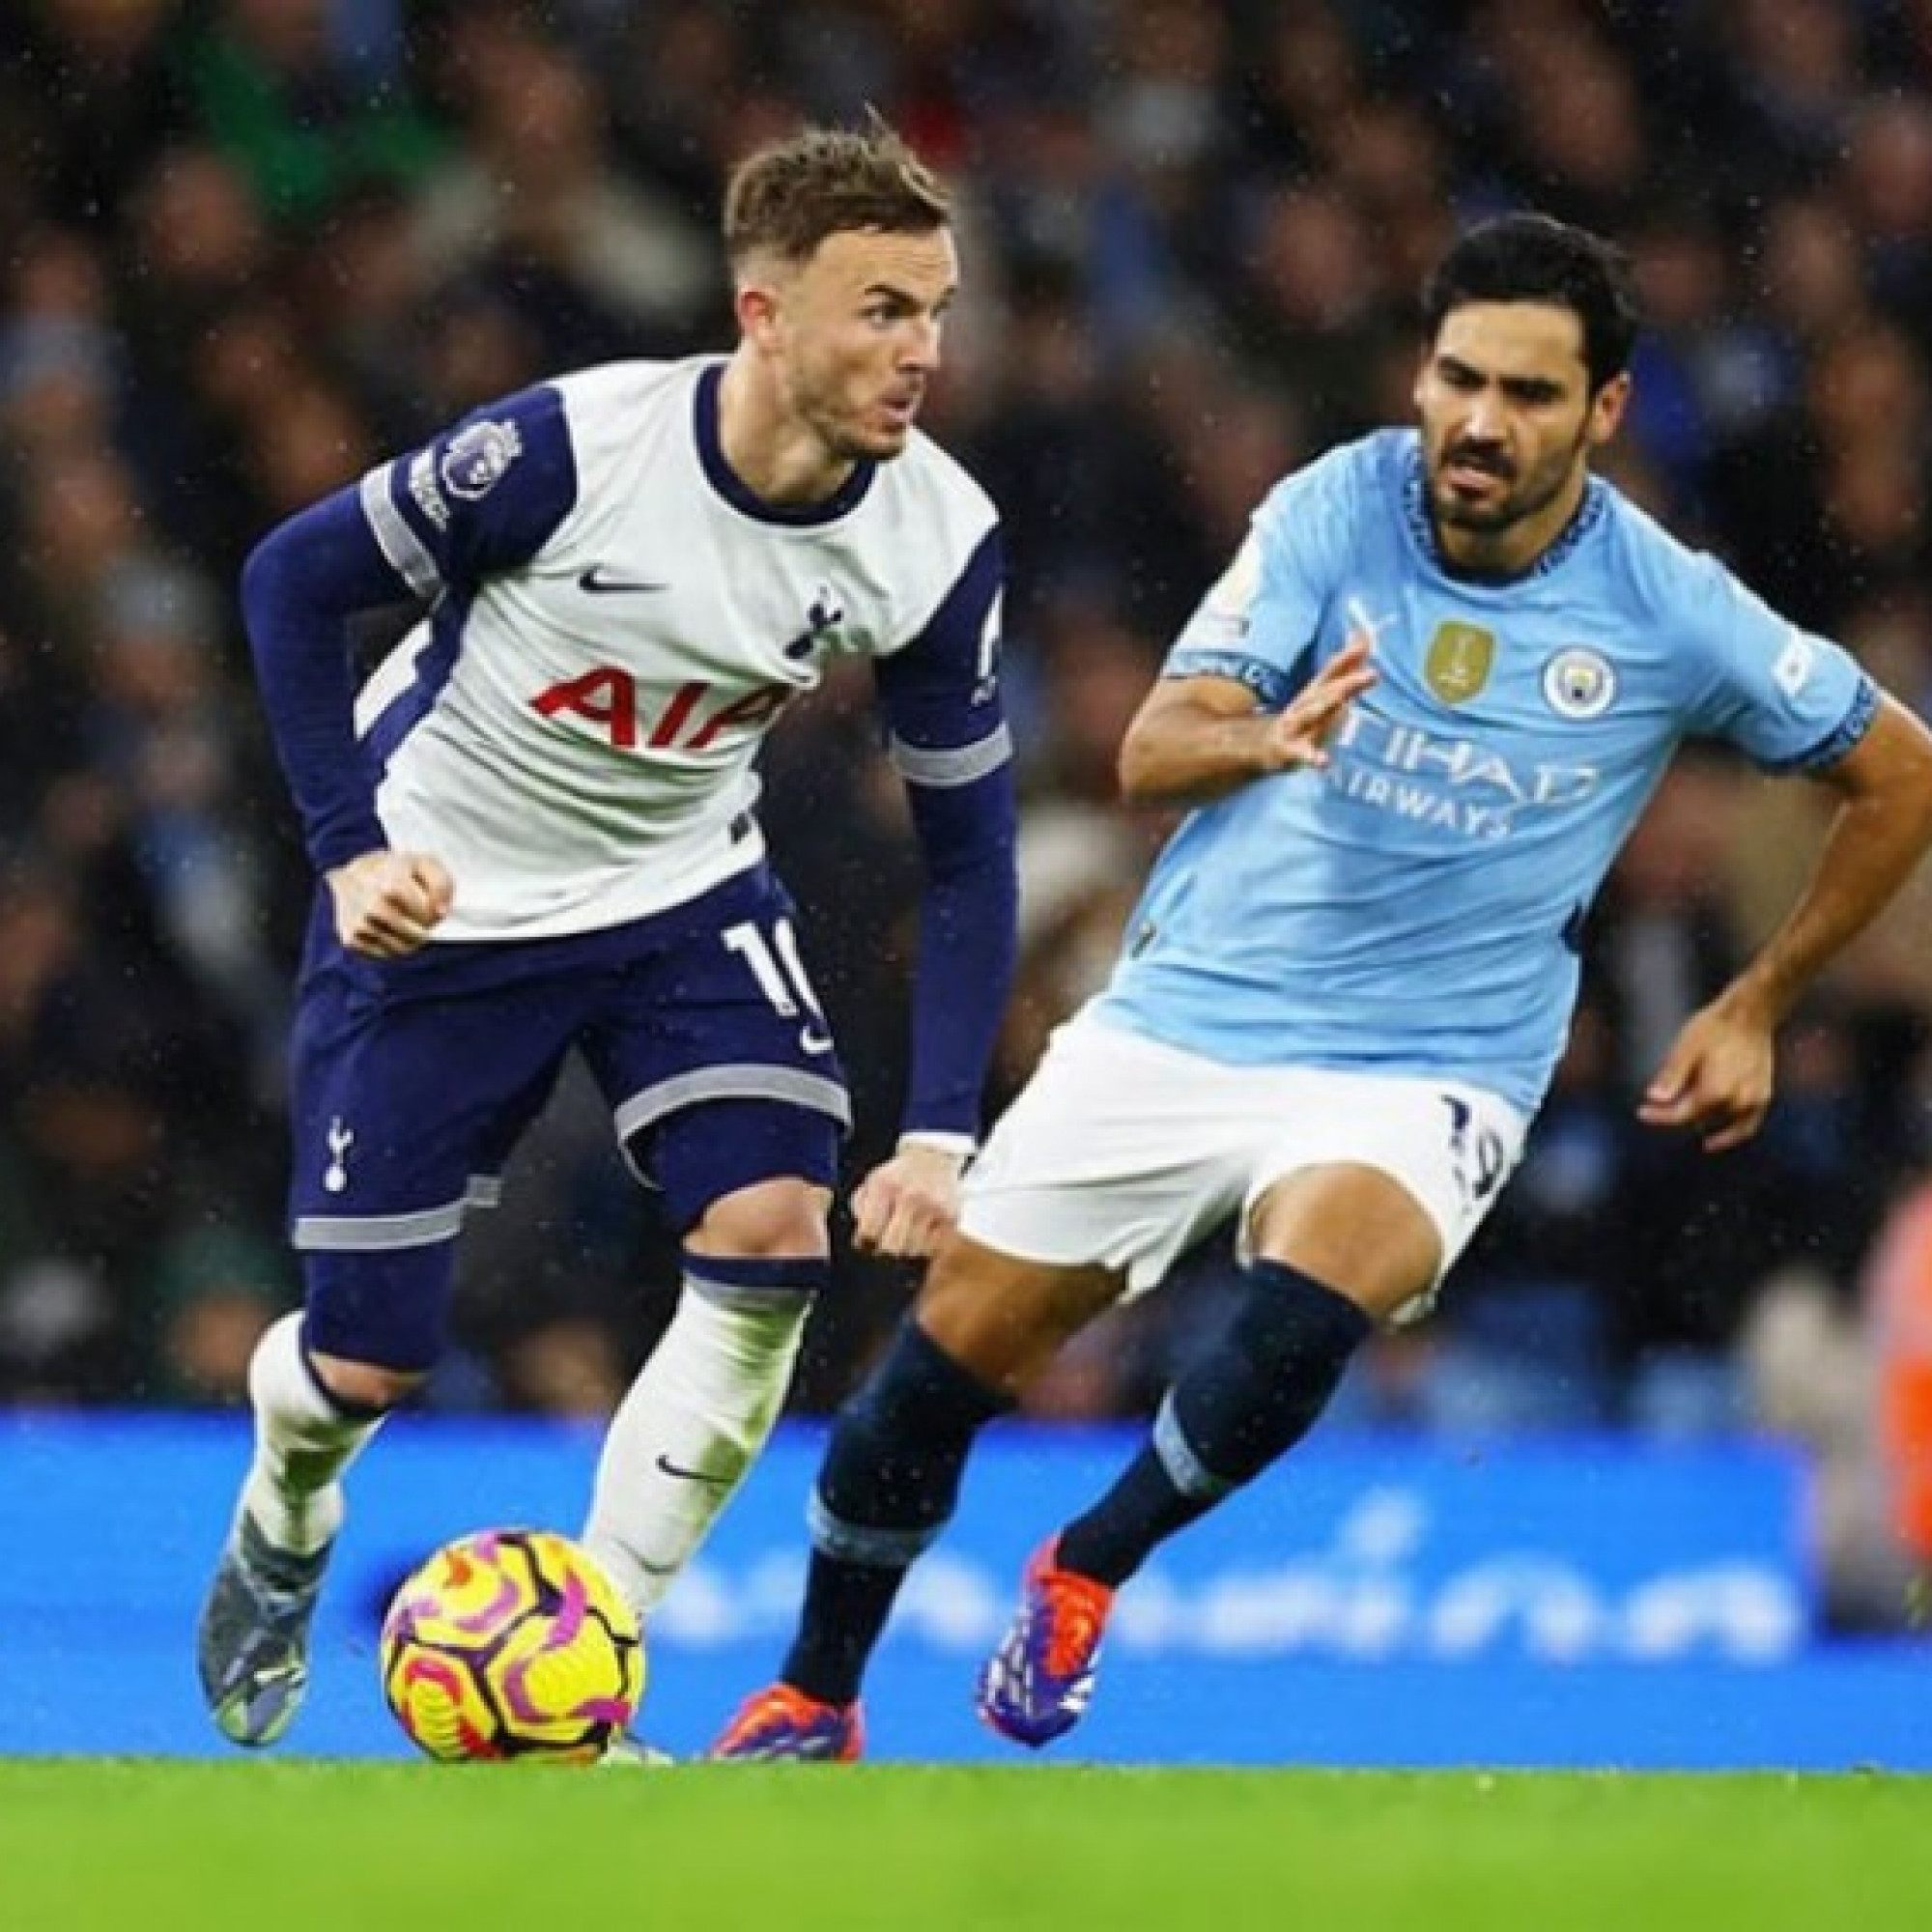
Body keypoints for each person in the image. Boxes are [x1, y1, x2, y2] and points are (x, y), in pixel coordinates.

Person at [710, 213, 1932, 1762]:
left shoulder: (1668, 605)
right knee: (935, 1374)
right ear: (1422, 378)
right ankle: (815, 1697)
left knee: (1315, 1291)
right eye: (1460, 378)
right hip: (1192, 1011)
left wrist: (1759, 1000)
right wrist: (1265, 737)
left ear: (1603, 413)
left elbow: (1898, 770)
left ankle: (1089, 1561)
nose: (1483, 421)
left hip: (1434, 1057)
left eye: (1532, 394)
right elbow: (1156, 745)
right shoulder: (1330, 511)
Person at [195, 116, 1017, 1750]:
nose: (920, 350)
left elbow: (971, 850)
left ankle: (591, 1658)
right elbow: (292, 583)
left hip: (681, 898)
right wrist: (351, 853)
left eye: (933, 307)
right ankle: (284, 1523)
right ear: (763, 315)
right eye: (878, 309)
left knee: (779, 1232)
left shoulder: (935, 536)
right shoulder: (572, 451)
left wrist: (939, 1132)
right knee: (364, 1369)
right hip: (438, 899)